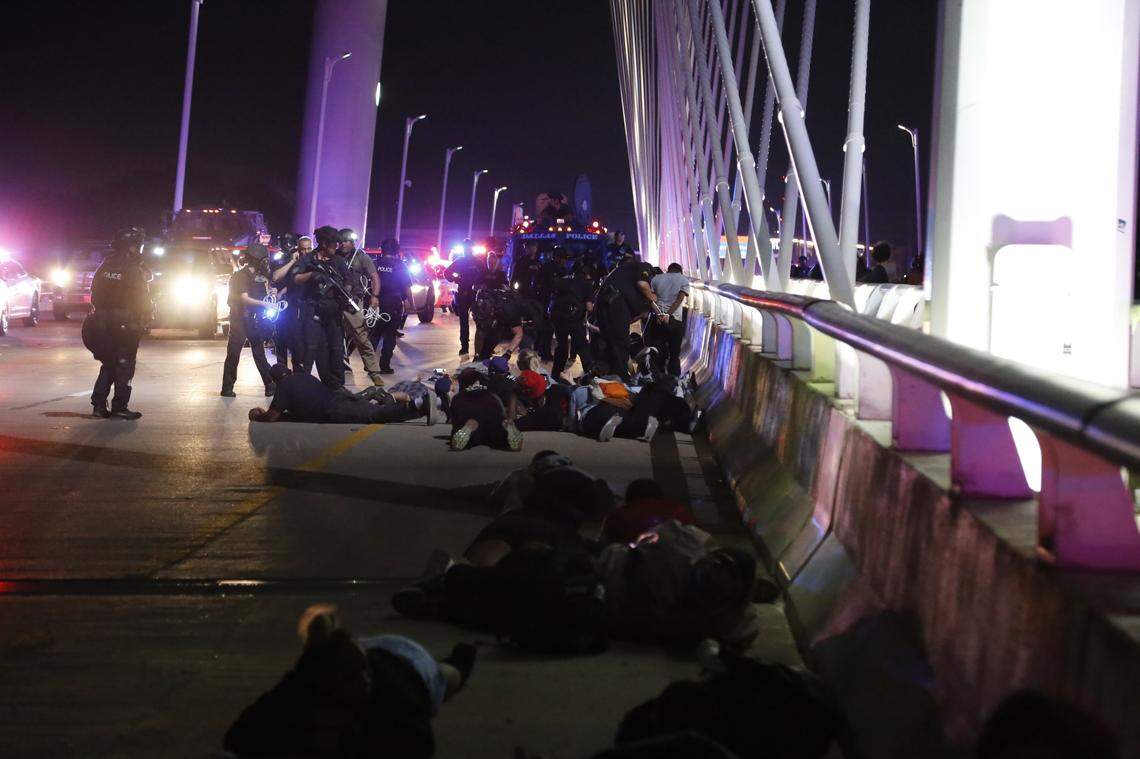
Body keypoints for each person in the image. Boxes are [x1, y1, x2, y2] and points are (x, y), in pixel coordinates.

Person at [223, 604, 475, 759]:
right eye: (352, 676)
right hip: (367, 648)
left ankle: (463, 659)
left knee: (447, 677)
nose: (364, 681)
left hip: (410, 661)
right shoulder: (301, 687)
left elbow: (420, 745)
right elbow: (239, 737)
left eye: (363, 672)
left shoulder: (393, 692)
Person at [87, 226, 151, 420]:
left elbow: (94, 293)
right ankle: (120, 406)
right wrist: (145, 318)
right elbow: (141, 297)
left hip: (102, 322)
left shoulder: (106, 264)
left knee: (109, 362)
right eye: (138, 246)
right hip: (125, 323)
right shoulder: (132, 268)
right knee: (125, 364)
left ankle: (98, 405)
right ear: (133, 247)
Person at [249, 365, 440, 425]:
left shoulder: (283, 386)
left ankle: (419, 405)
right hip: (340, 397)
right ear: (289, 371)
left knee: (375, 415)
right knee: (374, 410)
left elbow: (272, 416)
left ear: (276, 380)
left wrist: (258, 416)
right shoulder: (304, 375)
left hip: (334, 410)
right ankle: (432, 403)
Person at [291, 225, 356, 389]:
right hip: (313, 312)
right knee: (310, 349)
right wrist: (312, 275)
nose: (337, 247)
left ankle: (336, 386)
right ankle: (302, 387)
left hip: (334, 313)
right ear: (325, 244)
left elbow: (349, 280)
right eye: (334, 244)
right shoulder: (308, 259)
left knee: (336, 349)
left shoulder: (338, 261)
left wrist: (345, 293)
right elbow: (296, 278)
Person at [220, 243, 276, 398]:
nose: (266, 262)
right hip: (240, 320)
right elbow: (244, 299)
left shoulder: (260, 277)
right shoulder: (241, 276)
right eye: (263, 259)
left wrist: (271, 293)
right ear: (256, 260)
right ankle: (227, 387)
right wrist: (265, 304)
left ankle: (270, 385)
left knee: (259, 353)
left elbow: (263, 294)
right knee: (234, 354)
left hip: (254, 320)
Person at [334, 228, 387, 387]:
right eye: (340, 241)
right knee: (333, 338)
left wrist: (375, 296)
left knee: (361, 337)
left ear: (352, 242)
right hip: (334, 301)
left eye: (346, 241)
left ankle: (374, 372)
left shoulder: (361, 257)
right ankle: (338, 368)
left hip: (353, 302)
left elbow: (374, 276)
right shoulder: (333, 256)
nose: (343, 244)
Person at [596, 255, 657, 381]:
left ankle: (612, 376)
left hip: (604, 306)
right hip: (615, 303)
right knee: (621, 343)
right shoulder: (644, 267)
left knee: (612, 343)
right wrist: (654, 298)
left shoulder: (623, 275)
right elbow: (642, 284)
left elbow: (628, 320)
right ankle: (621, 377)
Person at [448, 368, 523, 451]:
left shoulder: (458, 398)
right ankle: (505, 428)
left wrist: (458, 426)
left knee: (467, 429)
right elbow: (501, 412)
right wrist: (504, 420)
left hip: (472, 420)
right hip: (491, 419)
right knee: (498, 429)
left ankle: (470, 426)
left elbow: (455, 419)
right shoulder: (492, 396)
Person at [371, 238, 414, 374]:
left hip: (376, 303)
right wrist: (411, 303)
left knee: (374, 334)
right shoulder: (401, 266)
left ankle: (370, 365)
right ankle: (384, 366)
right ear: (396, 250)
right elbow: (407, 287)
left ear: (382, 249)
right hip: (394, 302)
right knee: (390, 335)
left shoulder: (374, 264)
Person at [548, 257, 596, 380]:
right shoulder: (586, 283)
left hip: (558, 316)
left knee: (561, 346)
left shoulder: (563, 280)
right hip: (574, 318)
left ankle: (556, 376)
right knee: (583, 347)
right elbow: (589, 307)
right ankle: (591, 376)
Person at [271, 234, 311, 372]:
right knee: (281, 338)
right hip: (285, 306)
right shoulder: (285, 259)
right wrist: (292, 261)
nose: (305, 252)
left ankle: (299, 372)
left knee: (298, 341)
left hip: (303, 305)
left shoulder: (312, 261)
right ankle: (282, 372)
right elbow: (275, 277)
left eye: (308, 249)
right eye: (303, 249)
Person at [648, 262, 690, 377]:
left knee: (659, 351)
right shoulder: (684, 280)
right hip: (675, 321)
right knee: (674, 355)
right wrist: (668, 315)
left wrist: (660, 314)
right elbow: (679, 300)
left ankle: (658, 377)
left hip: (658, 320)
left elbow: (650, 299)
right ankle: (674, 379)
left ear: (668, 270)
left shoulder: (656, 279)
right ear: (680, 271)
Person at [444, 240, 485, 355]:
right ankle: (465, 347)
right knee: (464, 321)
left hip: (476, 294)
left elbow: (484, 276)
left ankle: (479, 347)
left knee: (480, 321)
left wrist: (481, 285)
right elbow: (446, 273)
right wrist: (457, 280)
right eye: (466, 248)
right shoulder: (460, 261)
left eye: (469, 248)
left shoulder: (478, 262)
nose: (467, 250)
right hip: (463, 293)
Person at [473, 276, 524, 361]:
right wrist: (477, 355)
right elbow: (479, 332)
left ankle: (481, 356)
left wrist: (507, 354)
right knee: (483, 337)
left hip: (503, 315)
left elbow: (519, 334)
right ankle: (480, 356)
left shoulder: (510, 307)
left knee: (490, 338)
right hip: (495, 314)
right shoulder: (482, 306)